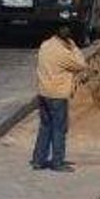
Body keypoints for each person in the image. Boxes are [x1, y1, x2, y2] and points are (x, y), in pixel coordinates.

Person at [32, 25, 87, 172]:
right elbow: (81, 65)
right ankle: (58, 162)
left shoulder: (45, 45)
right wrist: (74, 47)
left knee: (45, 127)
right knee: (59, 129)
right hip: (57, 95)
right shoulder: (64, 53)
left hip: (43, 92)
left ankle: (38, 160)